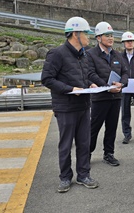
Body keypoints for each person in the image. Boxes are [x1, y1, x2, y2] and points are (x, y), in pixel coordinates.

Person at [41, 16, 99, 193]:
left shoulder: (84, 55)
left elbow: (85, 76)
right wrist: (70, 88)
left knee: (84, 142)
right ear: (76, 34)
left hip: (83, 105)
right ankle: (65, 177)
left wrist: (90, 84)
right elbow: (47, 79)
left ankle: (83, 175)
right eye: (86, 33)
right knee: (66, 143)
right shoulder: (57, 54)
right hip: (65, 106)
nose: (89, 38)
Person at [86, 22, 128, 167]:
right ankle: (87, 154)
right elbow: (90, 73)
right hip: (100, 98)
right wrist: (107, 87)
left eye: (112, 35)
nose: (111, 38)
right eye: (107, 35)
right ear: (98, 38)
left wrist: (121, 84)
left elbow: (125, 73)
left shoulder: (117, 54)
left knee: (112, 127)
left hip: (115, 97)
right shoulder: (91, 54)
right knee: (94, 127)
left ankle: (108, 153)